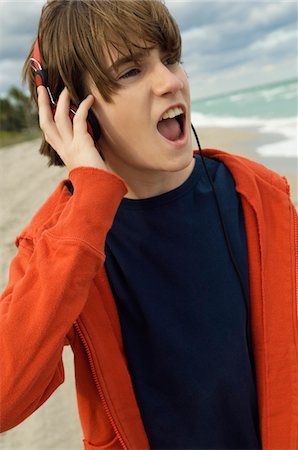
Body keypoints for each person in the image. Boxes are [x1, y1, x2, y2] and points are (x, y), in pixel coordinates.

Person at [1, 1, 297, 449]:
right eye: (130, 72)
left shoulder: (259, 197)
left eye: (171, 58)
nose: (170, 81)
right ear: (72, 110)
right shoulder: (62, 241)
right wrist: (88, 205)